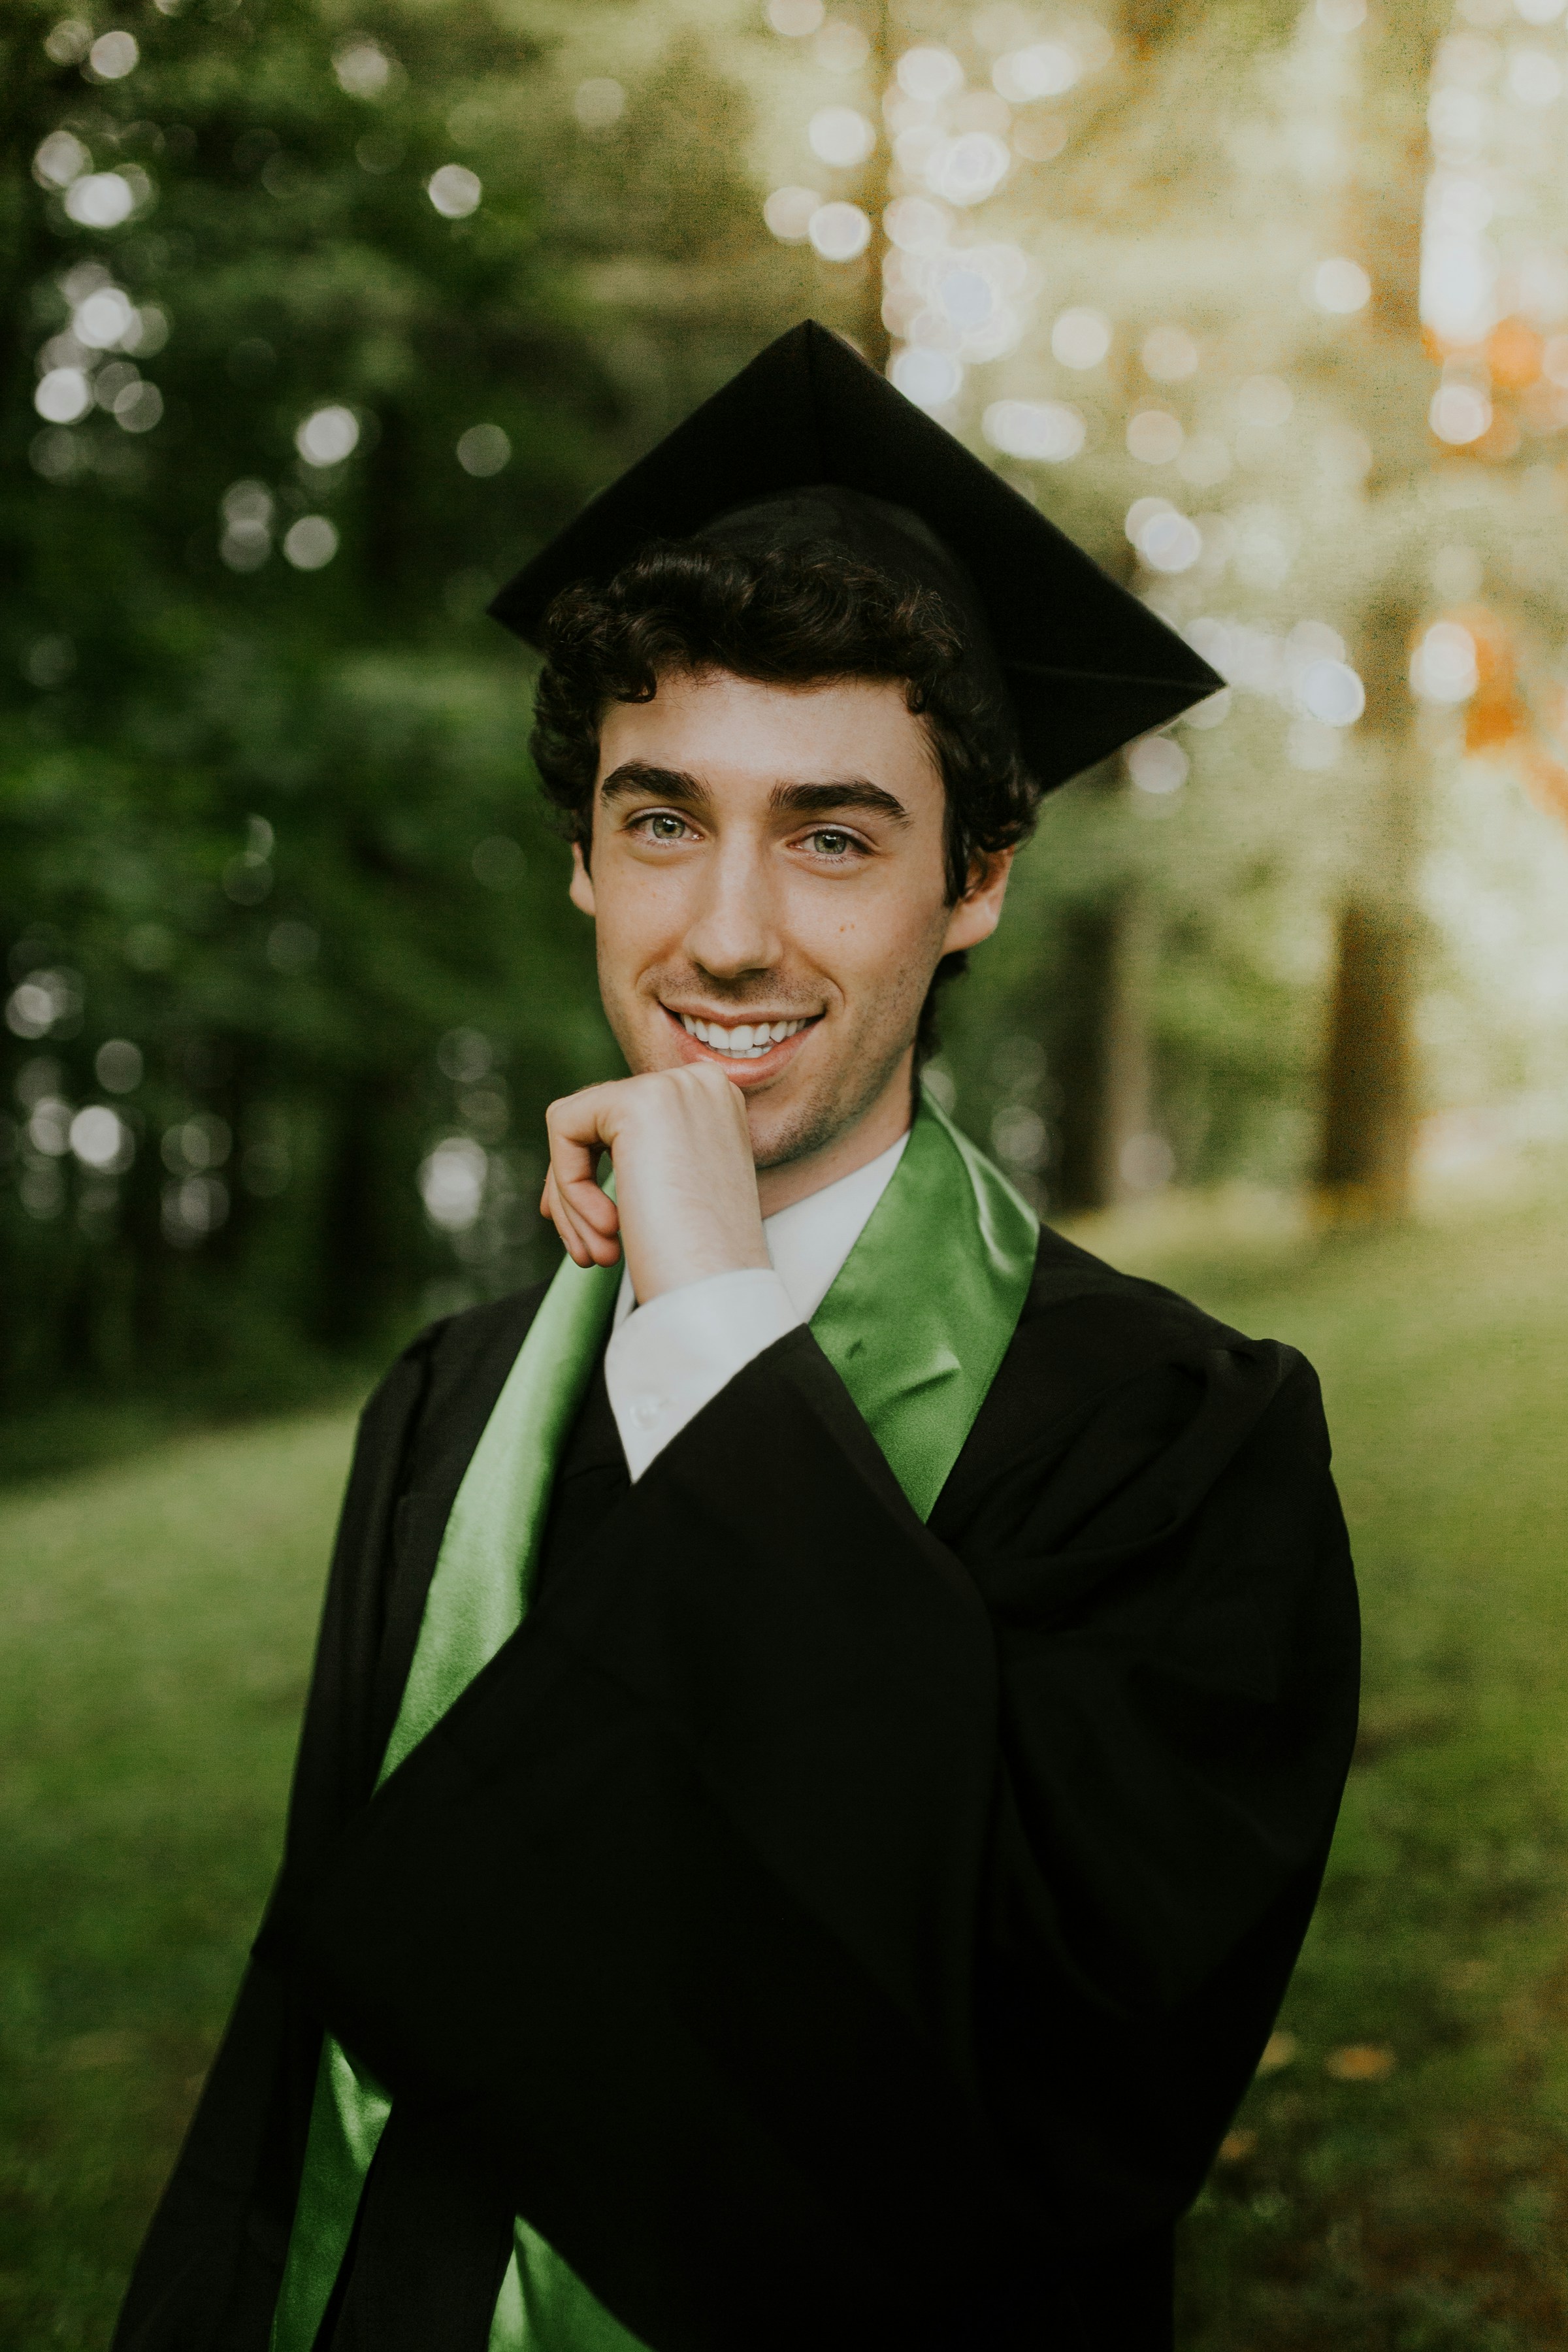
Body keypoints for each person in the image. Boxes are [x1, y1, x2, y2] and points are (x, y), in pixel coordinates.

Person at [114, 322, 1358, 2352]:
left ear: (976, 881)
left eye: (839, 834)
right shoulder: (446, 1405)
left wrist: (711, 1311)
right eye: (666, 821)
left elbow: (1056, 2119)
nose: (729, 935)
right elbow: (297, 2058)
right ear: (585, 858)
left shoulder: (1174, 1438)